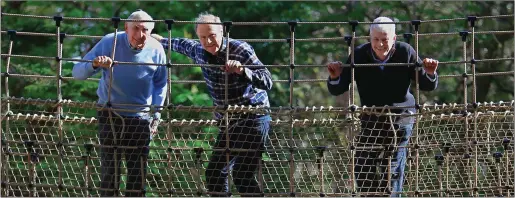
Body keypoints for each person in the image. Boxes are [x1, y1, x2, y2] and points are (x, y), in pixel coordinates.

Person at [151, 12, 272, 197]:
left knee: (242, 174)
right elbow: (176, 43)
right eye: (203, 37)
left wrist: (242, 70)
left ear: (222, 31)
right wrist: (154, 38)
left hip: (253, 115)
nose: (208, 41)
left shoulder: (240, 49)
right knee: (214, 173)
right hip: (228, 121)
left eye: (212, 35)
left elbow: (267, 81)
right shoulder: (198, 49)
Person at [326, 16, 439, 197]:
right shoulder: (359, 55)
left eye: (385, 40)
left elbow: (426, 84)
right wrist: (334, 77)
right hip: (372, 117)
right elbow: (338, 87)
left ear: (394, 38)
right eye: (376, 39)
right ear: (370, 38)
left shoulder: (405, 52)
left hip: (401, 117)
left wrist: (430, 73)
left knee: (392, 166)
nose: (380, 44)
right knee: (363, 165)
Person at [72, 9, 168, 197]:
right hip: (110, 114)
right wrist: (95, 64)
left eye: (145, 30)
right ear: (126, 27)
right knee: (110, 171)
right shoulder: (110, 41)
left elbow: (161, 84)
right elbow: (77, 73)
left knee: (137, 174)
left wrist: (156, 114)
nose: (140, 35)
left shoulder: (157, 49)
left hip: (140, 118)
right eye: (136, 28)